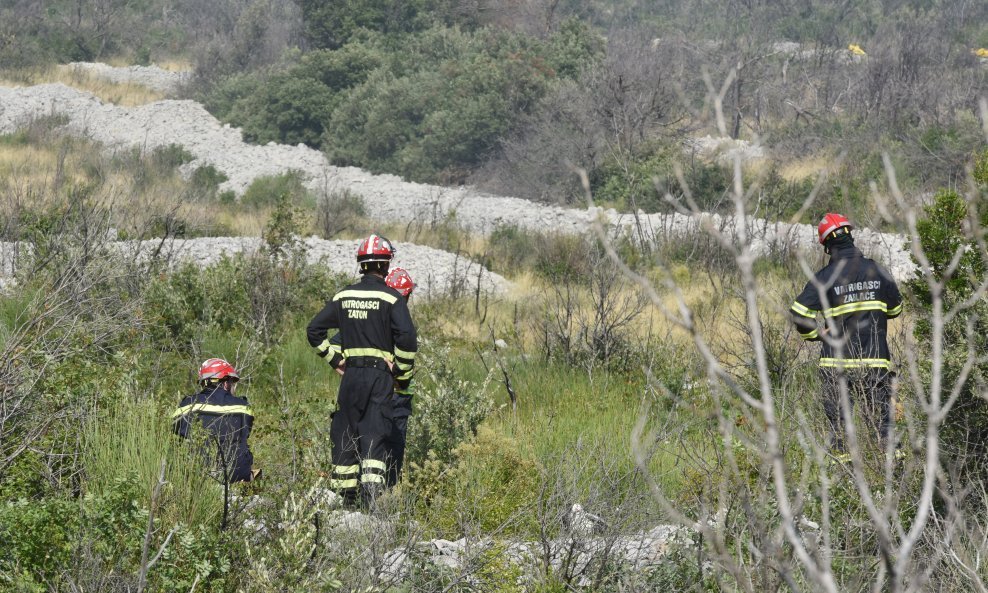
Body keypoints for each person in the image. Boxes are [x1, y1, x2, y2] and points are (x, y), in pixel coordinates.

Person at [307, 235, 417, 506]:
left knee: (345, 433)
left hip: (351, 378)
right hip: (380, 378)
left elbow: (314, 330)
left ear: (361, 265)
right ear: (386, 265)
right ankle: (371, 506)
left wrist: (336, 360)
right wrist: (401, 375)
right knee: (374, 436)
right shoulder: (392, 299)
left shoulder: (344, 295)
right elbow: (407, 340)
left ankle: (344, 504)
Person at [790, 214, 903, 459]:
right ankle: (893, 480)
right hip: (874, 361)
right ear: (850, 236)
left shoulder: (824, 277)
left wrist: (817, 334)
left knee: (839, 433)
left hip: (836, 363)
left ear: (827, 246)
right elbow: (896, 309)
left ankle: (844, 484)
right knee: (884, 428)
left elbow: (799, 313)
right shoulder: (877, 270)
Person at [326, 267, 417, 487]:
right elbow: (334, 342)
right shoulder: (390, 315)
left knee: (368, 445)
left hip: (389, 395)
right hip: (390, 395)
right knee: (384, 449)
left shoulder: (381, 315)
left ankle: (367, 499)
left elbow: (334, 342)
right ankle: (374, 501)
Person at [172, 358, 256, 484]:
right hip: (237, 475)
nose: (233, 386)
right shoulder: (243, 407)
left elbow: (174, 430)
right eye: (232, 382)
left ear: (204, 382)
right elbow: (246, 433)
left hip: (201, 474)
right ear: (226, 383)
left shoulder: (187, 405)